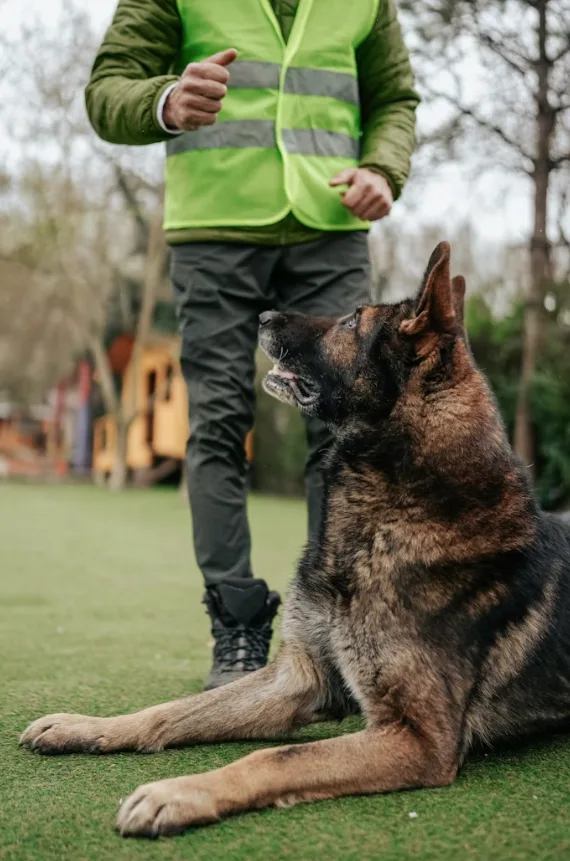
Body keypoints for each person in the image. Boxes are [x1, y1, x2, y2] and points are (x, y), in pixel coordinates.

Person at [86, 0, 419, 690]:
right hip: (214, 229)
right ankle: (236, 627)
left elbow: (394, 97)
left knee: (350, 428)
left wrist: (382, 169)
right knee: (220, 422)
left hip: (330, 226)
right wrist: (167, 100)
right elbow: (108, 88)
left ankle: (339, 628)